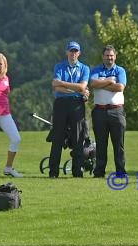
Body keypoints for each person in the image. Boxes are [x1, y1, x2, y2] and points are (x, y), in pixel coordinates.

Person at [49, 41, 90, 178]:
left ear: (79, 53)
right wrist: (76, 89)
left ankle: (77, 171)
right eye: (71, 51)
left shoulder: (84, 68)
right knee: (57, 137)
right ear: (66, 52)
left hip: (77, 104)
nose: (73, 53)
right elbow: (56, 87)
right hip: (61, 103)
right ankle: (53, 172)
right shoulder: (59, 67)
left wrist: (64, 84)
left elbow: (82, 87)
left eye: (75, 51)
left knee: (78, 137)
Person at [90, 45, 127, 178]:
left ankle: (120, 172)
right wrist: (110, 81)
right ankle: (99, 172)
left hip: (116, 111)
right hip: (99, 111)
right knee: (101, 144)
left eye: (111, 55)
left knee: (119, 144)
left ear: (115, 56)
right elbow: (93, 84)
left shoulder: (120, 70)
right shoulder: (96, 69)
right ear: (103, 56)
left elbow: (120, 87)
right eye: (107, 55)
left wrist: (102, 83)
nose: (109, 58)